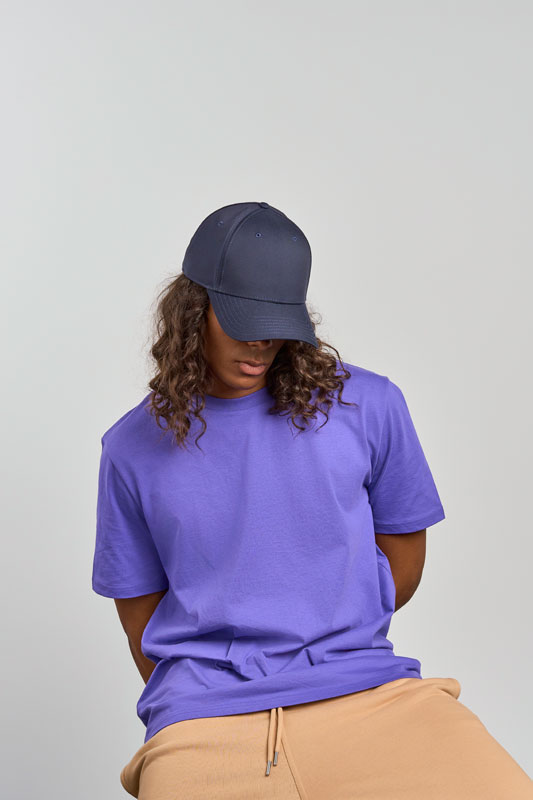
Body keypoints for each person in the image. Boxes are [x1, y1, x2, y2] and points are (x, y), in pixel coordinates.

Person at [92, 201, 533, 799]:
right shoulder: (132, 447)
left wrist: (325, 625)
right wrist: (205, 688)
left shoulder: (368, 406)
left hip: (367, 690)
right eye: (243, 322)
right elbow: (138, 615)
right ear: (194, 311)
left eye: (277, 325)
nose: (262, 344)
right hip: (206, 715)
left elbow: (403, 563)